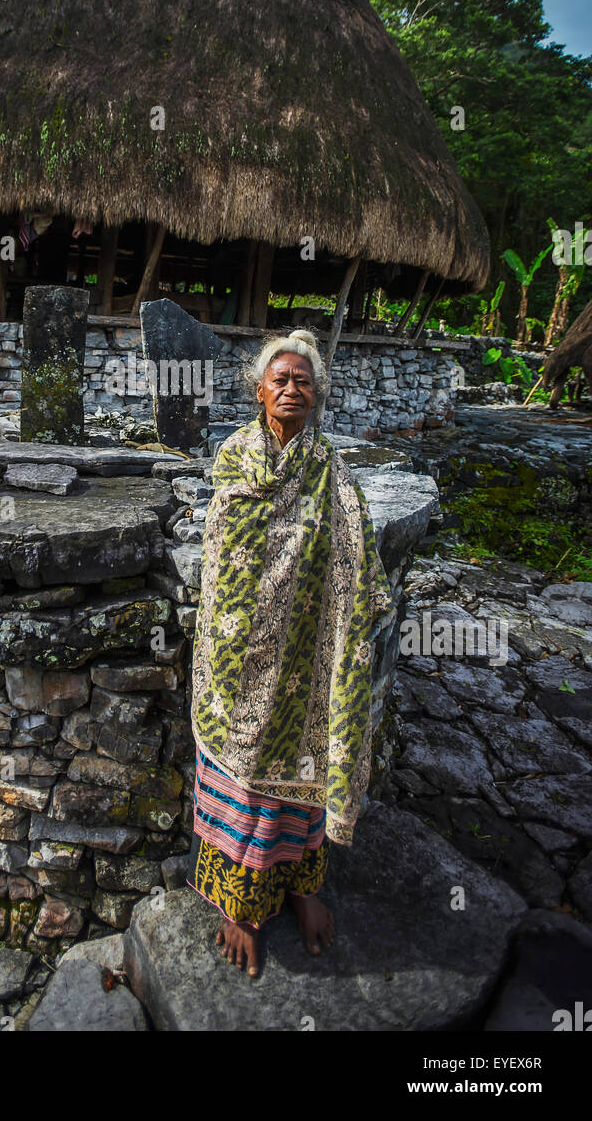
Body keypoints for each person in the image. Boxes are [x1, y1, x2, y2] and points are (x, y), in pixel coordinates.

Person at [187, 328, 393, 977]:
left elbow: (356, 564)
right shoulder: (233, 460)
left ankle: (301, 889)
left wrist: (353, 615)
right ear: (259, 391)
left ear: (317, 396)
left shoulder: (332, 474)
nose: (290, 388)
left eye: (302, 381)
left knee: (303, 767)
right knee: (246, 769)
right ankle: (238, 907)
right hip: (239, 664)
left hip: (307, 665)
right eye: (279, 379)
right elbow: (223, 561)